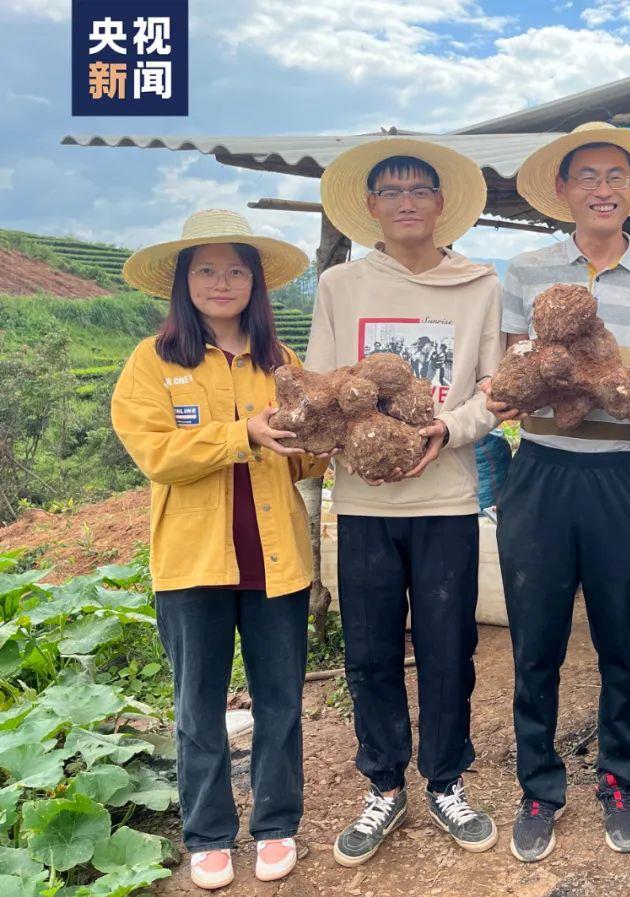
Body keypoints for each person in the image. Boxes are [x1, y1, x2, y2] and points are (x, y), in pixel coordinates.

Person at [484, 122, 630, 862]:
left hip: (624, 475)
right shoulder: (526, 270)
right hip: (540, 473)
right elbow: (510, 376)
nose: (602, 189)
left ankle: (620, 778)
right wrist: (529, 381)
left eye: (615, 176)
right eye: (587, 177)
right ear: (564, 189)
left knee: (622, 640)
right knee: (535, 640)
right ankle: (539, 787)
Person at [111, 209, 327, 889]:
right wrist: (242, 434)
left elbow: (301, 459)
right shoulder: (152, 361)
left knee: (279, 700)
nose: (221, 282)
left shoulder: (279, 361)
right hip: (191, 561)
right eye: (206, 269)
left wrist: (324, 442)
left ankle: (276, 822)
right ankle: (207, 832)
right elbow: (157, 455)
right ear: (183, 281)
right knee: (197, 705)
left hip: (275, 558)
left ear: (256, 283)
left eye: (236, 270)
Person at [311, 138, 503, 866]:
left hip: (447, 499)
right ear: (371, 206)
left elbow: (493, 392)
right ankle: (384, 783)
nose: (406, 203)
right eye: (390, 191)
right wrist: (338, 438)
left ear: (440, 202)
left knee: (450, 648)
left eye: (419, 190)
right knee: (370, 650)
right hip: (364, 503)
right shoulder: (341, 286)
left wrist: (448, 428)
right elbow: (325, 387)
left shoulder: (478, 285)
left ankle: (447, 780)